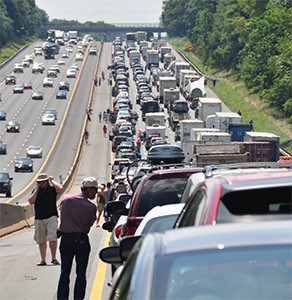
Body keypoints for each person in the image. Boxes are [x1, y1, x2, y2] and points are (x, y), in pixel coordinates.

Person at [57, 177, 98, 300]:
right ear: (89, 189)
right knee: (81, 274)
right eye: (95, 190)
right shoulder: (91, 206)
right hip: (81, 241)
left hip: (66, 240)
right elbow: (89, 224)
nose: (96, 193)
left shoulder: (65, 199)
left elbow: (61, 215)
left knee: (64, 273)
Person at [28, 173, 63, 266]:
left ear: (47, 181)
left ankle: (54, 258)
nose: (42, 183)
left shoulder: (51, 189)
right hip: (39, 217)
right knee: (41, 239)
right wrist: (36, 188)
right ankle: (43, 259)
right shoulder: (36, 191)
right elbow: (31, 201)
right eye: (40, 182)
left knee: (53, 237)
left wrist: (52, 180)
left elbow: (60, 188)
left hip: (51, 216)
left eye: (43, 181)